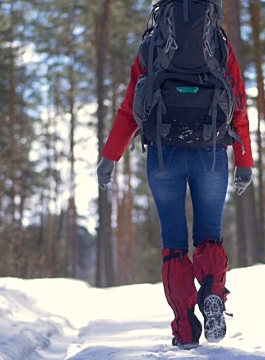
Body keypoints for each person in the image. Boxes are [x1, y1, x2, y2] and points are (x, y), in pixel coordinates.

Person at [97, 0, 253, 350]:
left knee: (174, 245)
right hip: (211, 153)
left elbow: (129, 109)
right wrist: (245, 161)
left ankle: (184, 326)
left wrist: (109, 158)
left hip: (164, 154)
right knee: (209, 235)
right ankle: (212, 292)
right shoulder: (218, 43)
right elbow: (238, 104)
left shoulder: (152, 45)